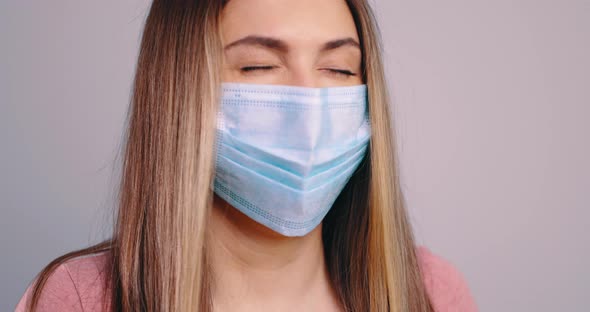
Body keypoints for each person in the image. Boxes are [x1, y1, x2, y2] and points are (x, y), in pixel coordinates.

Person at [15, 0, 477, 311]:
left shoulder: (430, 292)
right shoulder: (81, 299)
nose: (307, 104)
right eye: (258, 65)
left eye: (338, 69)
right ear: (180, 89)